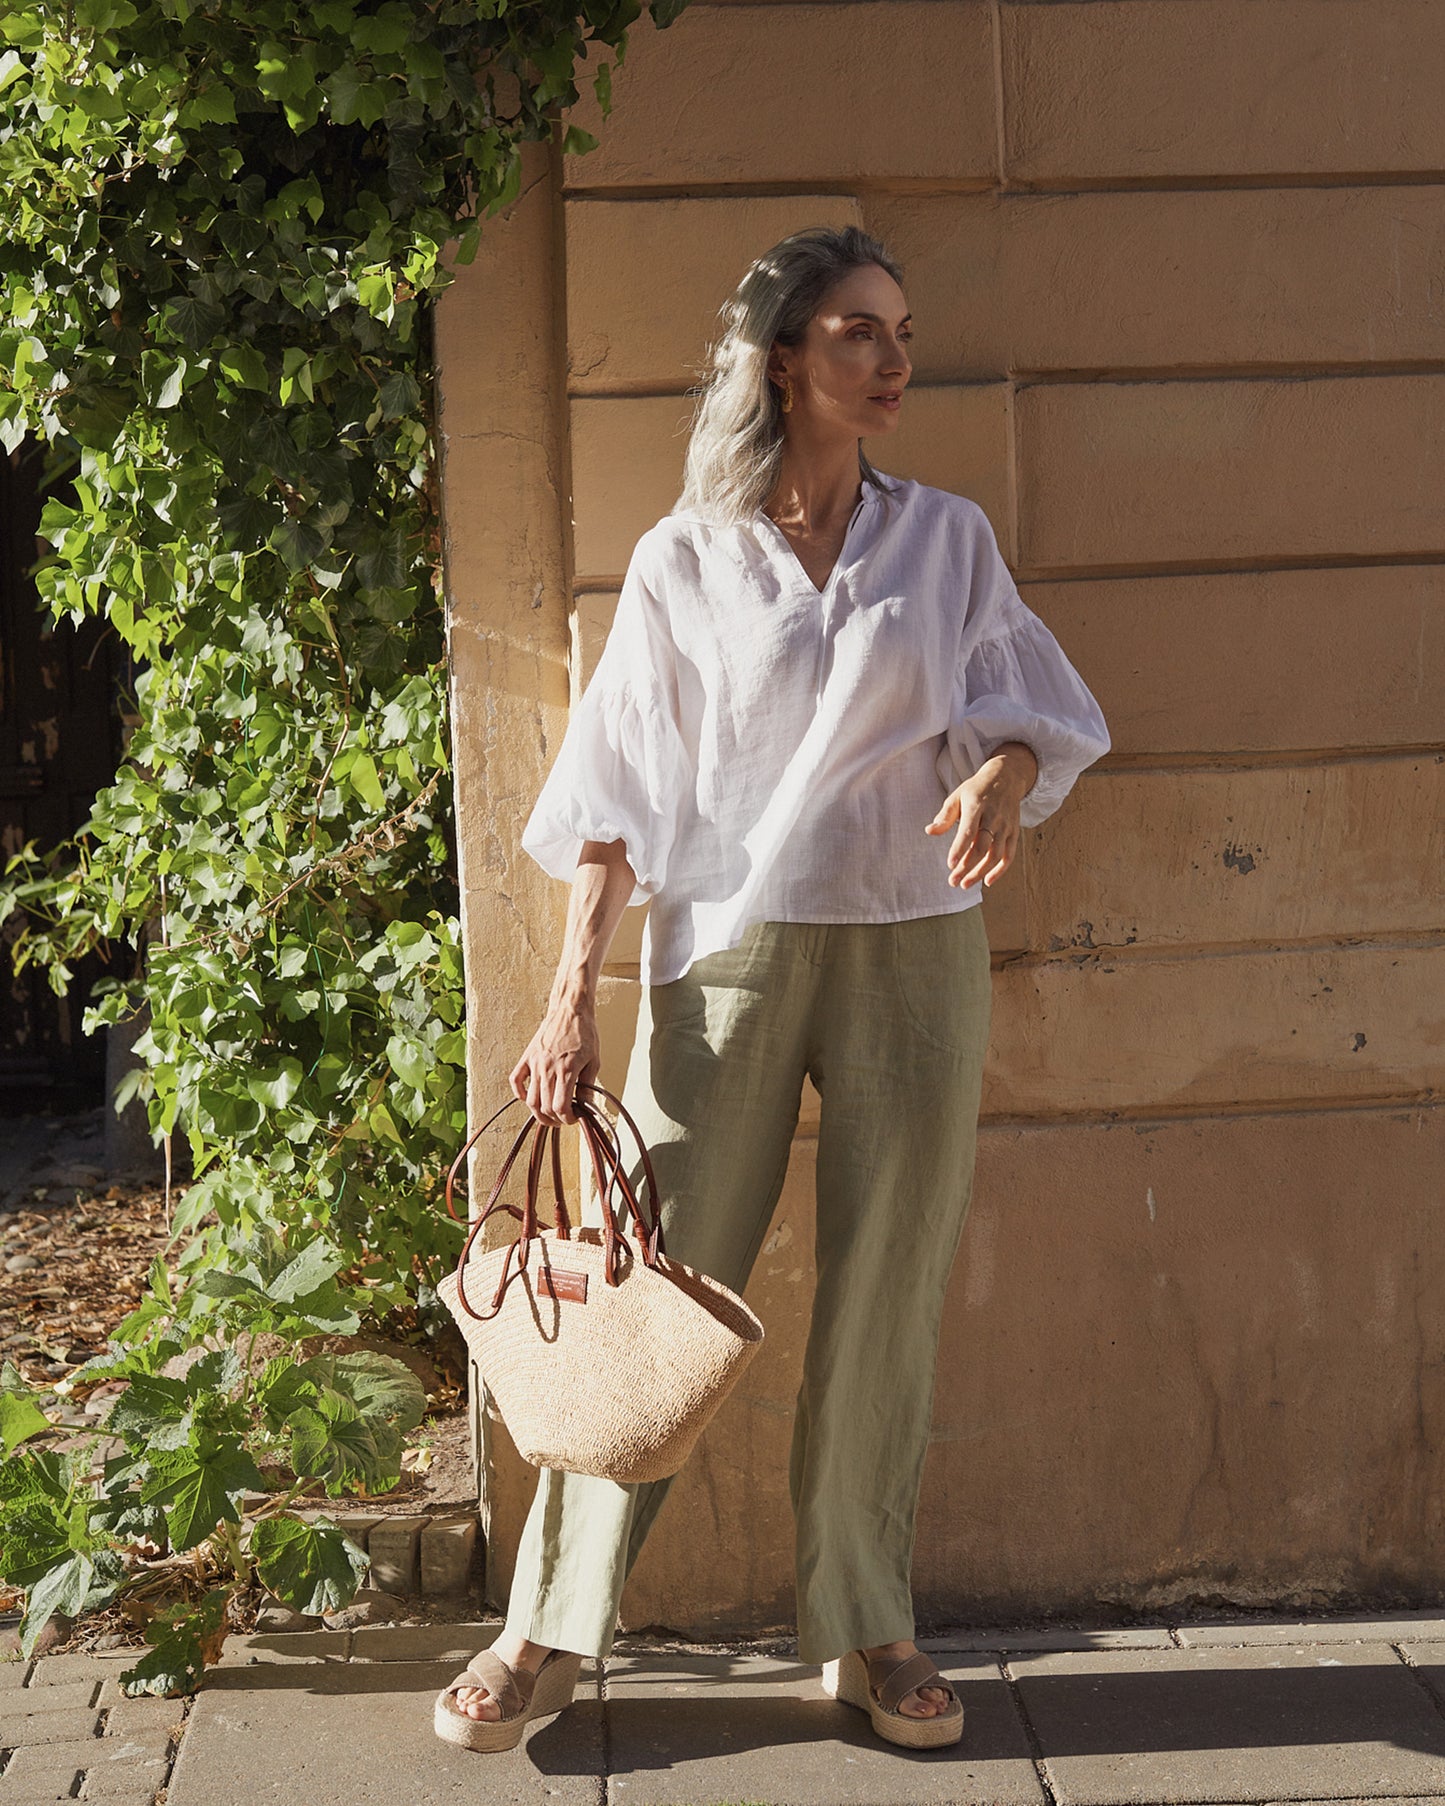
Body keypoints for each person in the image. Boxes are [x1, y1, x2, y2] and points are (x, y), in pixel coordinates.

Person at [433, 225, 1111, 1755]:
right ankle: (545, 1624)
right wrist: (567, 999)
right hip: (724, 955)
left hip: (916, 941)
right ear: (781, 357)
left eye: (901, 331)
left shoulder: (945, 540)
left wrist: (1001, 774)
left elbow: (1029, 707)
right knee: (642, 1288)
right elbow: (611, 801)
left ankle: (869, 1624)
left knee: (888, 1293)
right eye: (857, 332)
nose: (890, 360)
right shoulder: (685, 555)